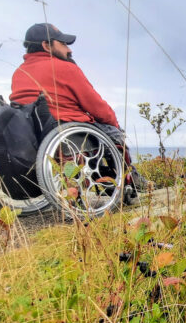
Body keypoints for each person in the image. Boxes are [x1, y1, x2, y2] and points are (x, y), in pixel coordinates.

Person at [9, 23, 147, 201]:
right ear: (46, 45)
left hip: (34, 134)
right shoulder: (64, 68)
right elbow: (96, 105)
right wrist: (112, 121)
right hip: (67, 130)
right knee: (115, 133)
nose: (68, 50)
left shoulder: (19, 72)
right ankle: (129, 181)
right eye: (63, 44)